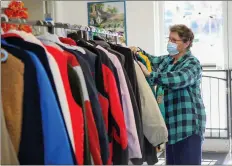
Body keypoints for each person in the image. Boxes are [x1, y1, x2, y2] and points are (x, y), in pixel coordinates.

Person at [138, 24, 206, 165]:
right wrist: (137, 52)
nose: (170, 43)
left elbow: (178, 79)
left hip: (187, 126)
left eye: (174, 40)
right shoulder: (168, 60)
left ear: (186, 43)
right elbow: (150, 59)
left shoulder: (192, 63)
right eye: (169, 39)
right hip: (171, 127)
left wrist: (151, 75)